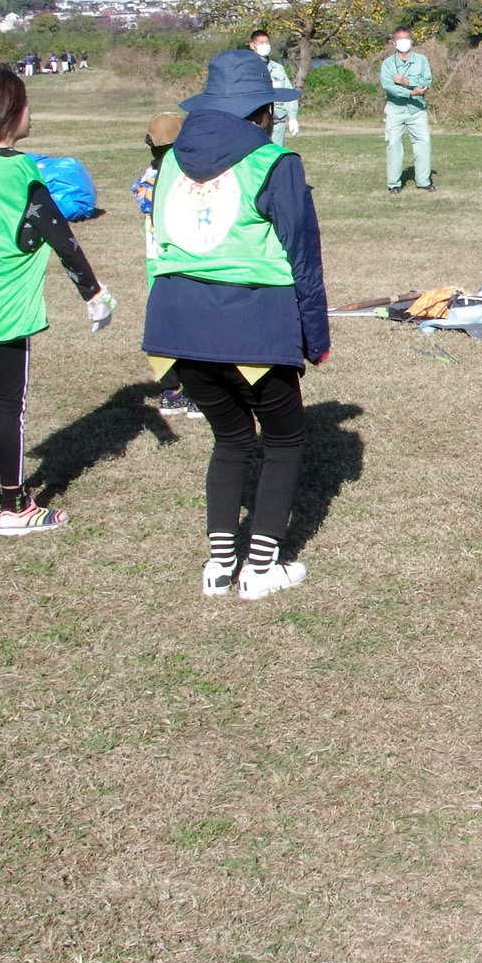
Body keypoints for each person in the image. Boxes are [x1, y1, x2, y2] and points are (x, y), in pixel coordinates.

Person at [143, 50, 331, 601]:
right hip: (250, 326)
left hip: (177, 325)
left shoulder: (169, 161)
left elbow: (159, 249)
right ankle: (261, 566)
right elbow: (304, 259)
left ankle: (219, 565)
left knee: (229, 439)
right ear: (261, 112)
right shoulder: (275, 162)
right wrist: (314, 339)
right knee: (285, 439)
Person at [0, 68, 114, 531]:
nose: (32, 111)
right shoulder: (20, 171)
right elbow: (60, 236)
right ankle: (14, 507)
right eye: (25, 103)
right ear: (10, 115)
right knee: (9, 404)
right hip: (1, 305)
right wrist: (94, 293)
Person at [133, 110, 202, 419]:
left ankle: (170, 392)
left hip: (155, 263)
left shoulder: (147, 178)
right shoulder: (186, 176)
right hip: (182, 258)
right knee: (195, 326)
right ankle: (197, 393)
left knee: (167, 327)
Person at [380, 29, 433, 192]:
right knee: (394, 145)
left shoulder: (421, 60)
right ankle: (394, 184)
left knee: (423, 143)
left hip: (417, 109)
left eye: (407, 38)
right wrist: (410, 91)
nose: (404, 42)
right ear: (393, 43)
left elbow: (426, 81)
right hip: (395, 109)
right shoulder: (387, 64)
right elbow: (388, 86)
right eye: (400, 39)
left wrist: (406, 81)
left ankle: (424, 181)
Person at [247, 28, 301, 138]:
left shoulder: (278, 68)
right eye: (261, 43)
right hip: (256, 123)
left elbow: (288, 93)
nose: (265, 45)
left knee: (276, 154)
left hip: (278, 121)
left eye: (267, 42)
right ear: (252, 45)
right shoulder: (247, 68)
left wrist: (293, 118)